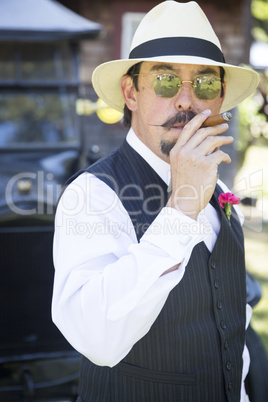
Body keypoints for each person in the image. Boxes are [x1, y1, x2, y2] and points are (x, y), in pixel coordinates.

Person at [52, 1, 260, 401]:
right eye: (166, 81)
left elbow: (231, 324)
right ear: (131, 93)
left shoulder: (219, 194)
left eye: (205, 84)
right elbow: (97, 339)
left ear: (220, 101)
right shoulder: (93, 193)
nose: (186, 101)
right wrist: (181, 209)